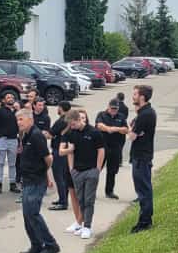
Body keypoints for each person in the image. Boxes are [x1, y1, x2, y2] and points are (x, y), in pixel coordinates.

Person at [16, 109, 59, 253]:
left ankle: (50, 244)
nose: (18, 123)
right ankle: (36, 245)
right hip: (27, 180)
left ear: (30, 120)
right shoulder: (25, 135)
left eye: (21, 119)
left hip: (36, 180)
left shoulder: (36, 136)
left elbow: (48, 158)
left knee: (33, 213)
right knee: (27, 215)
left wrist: (44, 174)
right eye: (18, 120)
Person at [59, 110, 104, 240]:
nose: (71, 127)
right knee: (81, 200)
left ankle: (87, 227)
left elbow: (101, 151)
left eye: (73, 124)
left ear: (79, 120)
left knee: (89, 200)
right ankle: (81, 224)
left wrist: (98, 169)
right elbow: (71, 152)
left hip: (91, 170)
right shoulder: (72, 134)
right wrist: (72, 169)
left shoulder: (94, 132)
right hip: (77, 171)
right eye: (70, 125)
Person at [128, 85, 158, 233]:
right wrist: (134, 128)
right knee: (143, 189)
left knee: (143, 190)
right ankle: (145, 219)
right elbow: (135, 131)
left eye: (135, 94)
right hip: (140, 156)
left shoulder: (145, 114)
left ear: (142, 97)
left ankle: (145, 222)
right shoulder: (144, 112)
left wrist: (132, 130)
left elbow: (131, 136)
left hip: (141, 157)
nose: (132, 96)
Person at [95, 99, 129, 200]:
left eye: (116, 109)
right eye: (112, 108)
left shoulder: (121, 117)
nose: (114, 110)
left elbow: (126, 129)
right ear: (108, 107)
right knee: (97, 169)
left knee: (112, 170)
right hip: (102, 147)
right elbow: (99, 125)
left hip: (115, 147)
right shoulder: (101, 114)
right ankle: (91, 190)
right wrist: (108, 129)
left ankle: (109, 191)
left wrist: (115, 129)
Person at [0, 92, 20, 194]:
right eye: (8, 97)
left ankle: (12, 184)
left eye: (12, 97)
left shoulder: (17, 111)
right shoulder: (0, 111)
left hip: (13, 140)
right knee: (0, 163)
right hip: (2, 139)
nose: (11, 98)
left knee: (12, 164)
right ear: (4, 100)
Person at [48, 102, 72, 211]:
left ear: (61, 108)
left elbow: (50, 134)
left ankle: (63, 202)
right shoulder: (70, 119)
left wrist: (44, 133)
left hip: (59, 150)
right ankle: (63, 198)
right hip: (66, 150)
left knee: (59, 177)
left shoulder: (61, 121)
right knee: (64, 176)